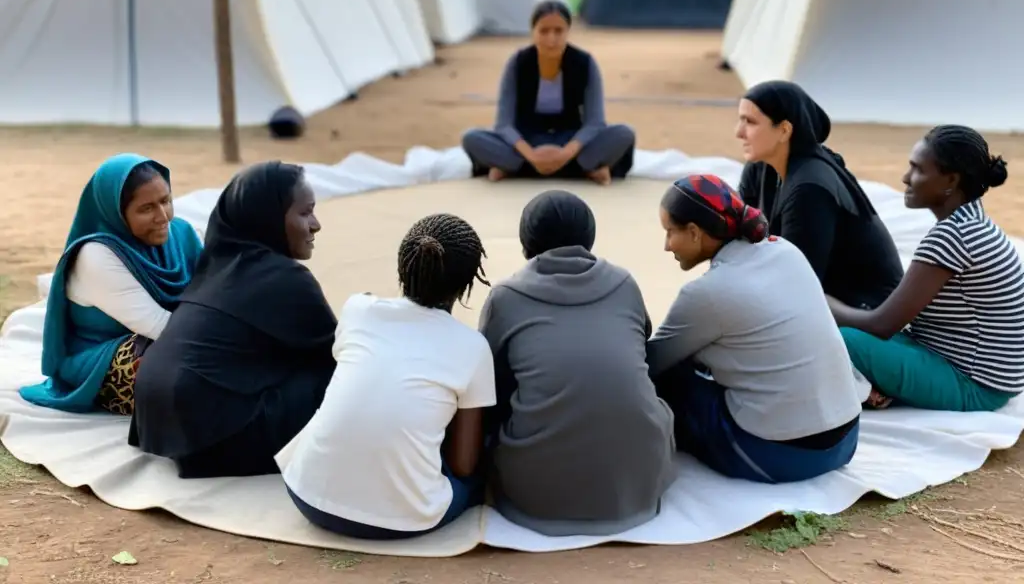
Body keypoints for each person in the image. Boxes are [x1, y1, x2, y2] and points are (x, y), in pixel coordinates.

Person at [280, 213, 495, 540]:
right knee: (480, 466)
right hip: (404, 519)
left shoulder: (357, 309)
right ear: (467, 285)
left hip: (307, 494)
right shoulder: (473, 347)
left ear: (402, 267)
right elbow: (463, 466)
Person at [479, 190, 675, 536]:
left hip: (536, 496)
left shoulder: (506, 297)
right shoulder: (624, 284)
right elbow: (640, 349)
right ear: (590, 236)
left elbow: (487, 385)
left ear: (527, 242)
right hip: (636, 484)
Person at [648, 174, 862, 484]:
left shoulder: (708, 293)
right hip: (845, 441)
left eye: (670, 233)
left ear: (695, 233)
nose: (667, 246)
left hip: (780, 455)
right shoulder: (786, 251)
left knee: (667, 382)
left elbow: (650, 363)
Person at [129, 161, 336, 478]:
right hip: (212, 443)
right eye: (305, 212)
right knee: (339, 381)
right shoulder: (287, 279)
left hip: (158, 425)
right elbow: (343, 356)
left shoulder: (216, 266)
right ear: (268, 218)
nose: (316, 224)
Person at [830, 126, 1024, 412]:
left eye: (917, 169)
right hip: (957, 360)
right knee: (852, 320)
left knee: (839, 337)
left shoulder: (953, 236)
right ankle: (870, 386)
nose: (906, 178)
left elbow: (883, 324)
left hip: (975, 384)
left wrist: (824, 304)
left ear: (950, 180)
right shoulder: (969, 222)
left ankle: (867, 389)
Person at [20, 154, 202, 415]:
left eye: (166, 201)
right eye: (146, 208)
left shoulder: (181, 234)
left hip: (177, 336)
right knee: (178, 367)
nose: (163, 217)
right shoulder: (96, 256)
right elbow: (159, 326)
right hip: (104, 357)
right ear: (116, 212)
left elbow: (216, 295)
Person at [736, 81, 903, 311]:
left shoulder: (810, 189)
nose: (739, 132)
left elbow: (797, 284)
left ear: (784, 130)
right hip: (816, 298)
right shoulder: (760, 167)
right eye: (741, 119)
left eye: (750, 122)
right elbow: (738, 238)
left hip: (862, 313)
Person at [461, 0, 635, 185]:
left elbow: (595, 122)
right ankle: (582, 170)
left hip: (570, 140)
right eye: (544, 31)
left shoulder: (585, 63)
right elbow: (504, 124)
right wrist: (532, 155)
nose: (551, 39)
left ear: (568, 31)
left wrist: (565, 153)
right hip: (526, 142)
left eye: (558, 31)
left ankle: (515, 170)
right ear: (533, 32)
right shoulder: (518, 63)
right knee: (471, 137)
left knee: (624, 133)